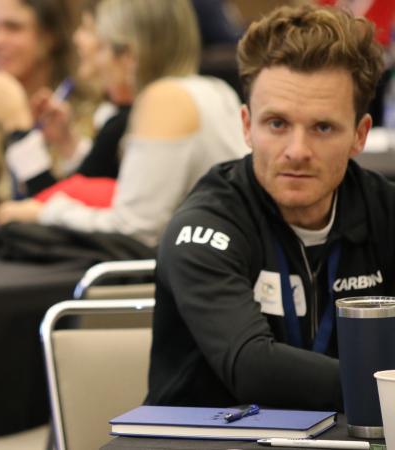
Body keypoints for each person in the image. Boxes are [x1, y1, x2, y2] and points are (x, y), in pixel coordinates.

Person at [146, 4, 391, 411]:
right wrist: (386, 385)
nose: (297, 151)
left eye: (323, 127)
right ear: (246, 126)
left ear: (360, 134)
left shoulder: (384, 210)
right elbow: (253, 368)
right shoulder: (204, 223)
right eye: (277, 124)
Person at [0, 0, 248, 249]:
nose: (89, 50)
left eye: (102, 46)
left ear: (128, 56)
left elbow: (134, 229)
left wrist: (45, 212)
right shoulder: (213, 89)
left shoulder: (165, 99)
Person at [0, 0, 98, 209]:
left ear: (50, 35)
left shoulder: (90, 110)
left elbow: (76, 211)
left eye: (13, 27)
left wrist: (19, 125)